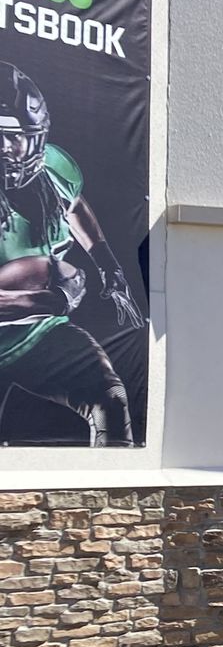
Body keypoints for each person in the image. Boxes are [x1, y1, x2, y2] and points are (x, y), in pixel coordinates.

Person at [0, 60, 144, 446]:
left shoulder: (54, 167)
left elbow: (74, 205)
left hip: (38, 334)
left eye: (15, 135)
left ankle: (116, 497)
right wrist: (47, 297)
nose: (7, 149)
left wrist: (106, 262)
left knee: (110, 400)